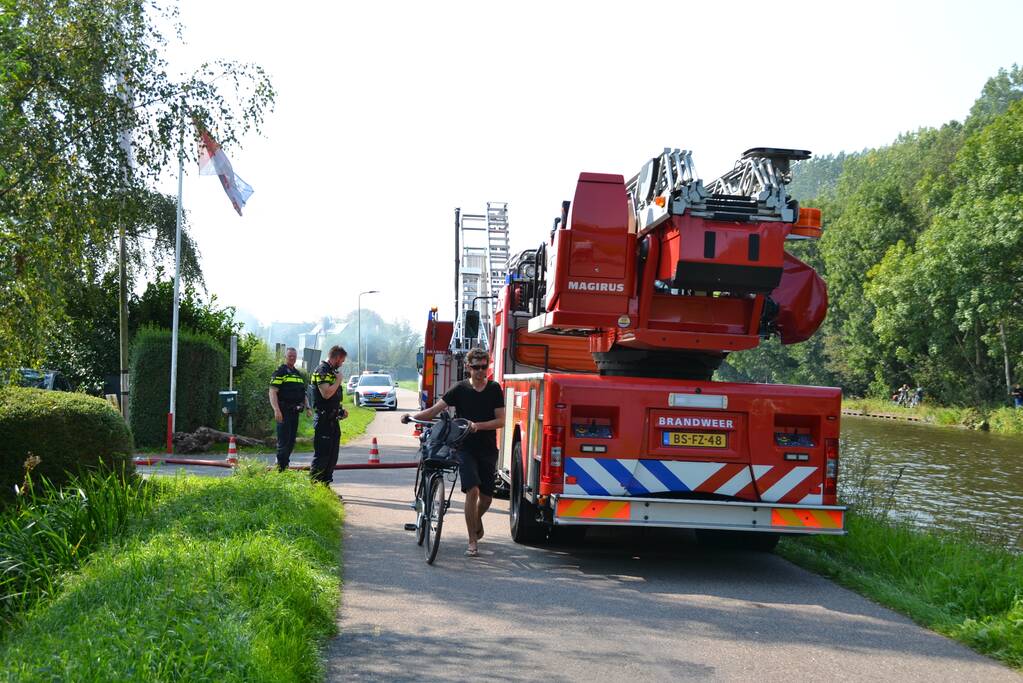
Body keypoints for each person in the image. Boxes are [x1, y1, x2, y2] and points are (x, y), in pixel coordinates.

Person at [403, 347, 504, 557]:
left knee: (486, 499)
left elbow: (501, 421)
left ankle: (476, 520)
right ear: (468, 367)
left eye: (483, 367)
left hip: (487, 449)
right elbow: (434, 410)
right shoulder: (459, 389)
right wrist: (412, 416)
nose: (480, 371)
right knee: (472, 490)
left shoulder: (494, 389)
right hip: (464, 447)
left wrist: (478, 426)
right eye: (476, 367)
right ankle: (472, 541)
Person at [310, 345, 348, 490]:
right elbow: (326, 394)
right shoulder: (322, 370)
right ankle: (315, 488)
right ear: (337, 357)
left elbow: (333, 398)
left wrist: (340, 411)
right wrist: (338, 380)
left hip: (333, 420)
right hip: (323, 420)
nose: (342, 363)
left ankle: (325, 487)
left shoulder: (332, 372)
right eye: (342, 361)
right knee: (322, 456)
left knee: (332, 456)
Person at [268, 347, 312, 472]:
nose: (292, 358)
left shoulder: (297, 374)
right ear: (285, 357)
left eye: (294, 356)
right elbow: (272, 392)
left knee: (291, 442)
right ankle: (281, 470)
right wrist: (276, 410)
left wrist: (308, 407)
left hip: (295, 413)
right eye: (290, 356)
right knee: (284, 442)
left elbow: (303, 393)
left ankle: (284, 466)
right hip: (284, 412)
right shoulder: (280, 372)